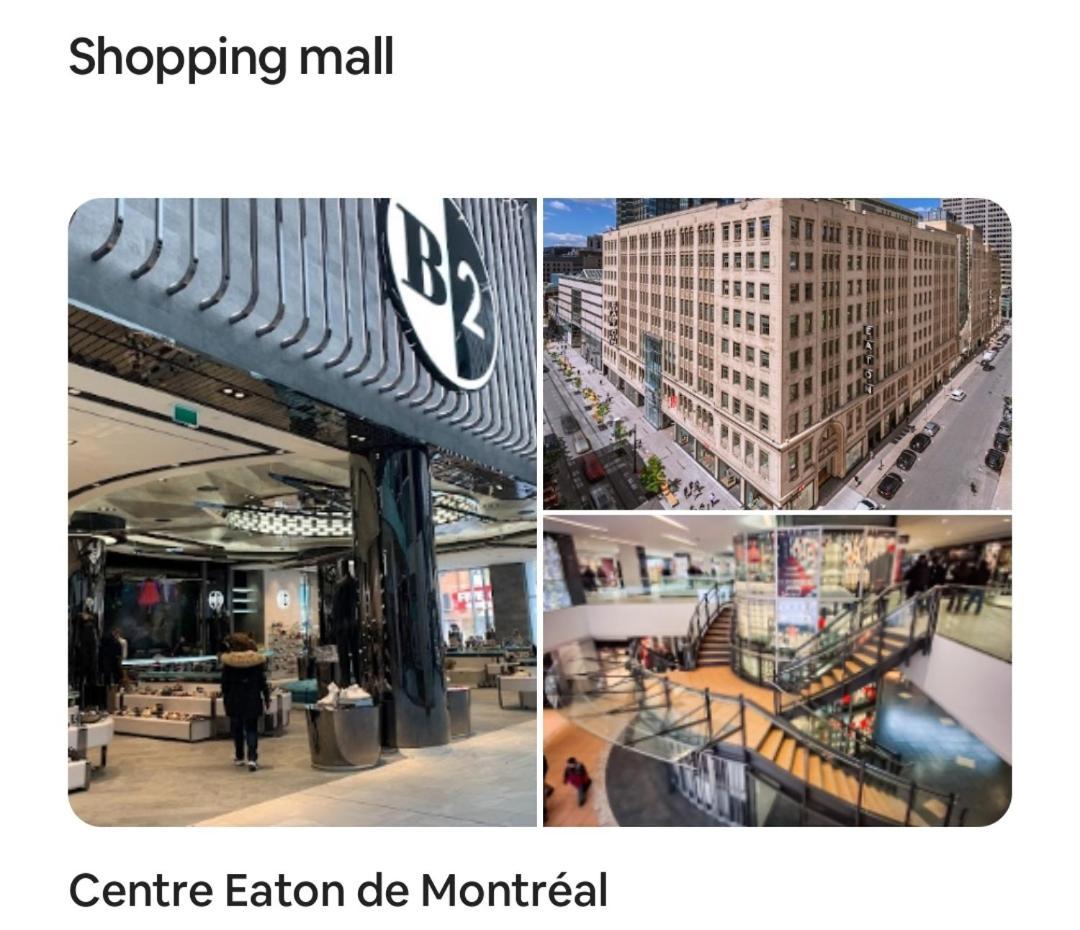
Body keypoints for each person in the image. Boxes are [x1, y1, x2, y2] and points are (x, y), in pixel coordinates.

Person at [220, 632, 271, 771]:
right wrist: (266, 698)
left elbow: (225, 684)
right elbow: (262, 682)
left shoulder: (229, 663)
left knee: (237, 729)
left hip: (234, 699)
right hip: (252, 698)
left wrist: (225, 697)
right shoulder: (256, 662)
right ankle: (252, 759)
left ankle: (239, 756)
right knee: (251, 729)